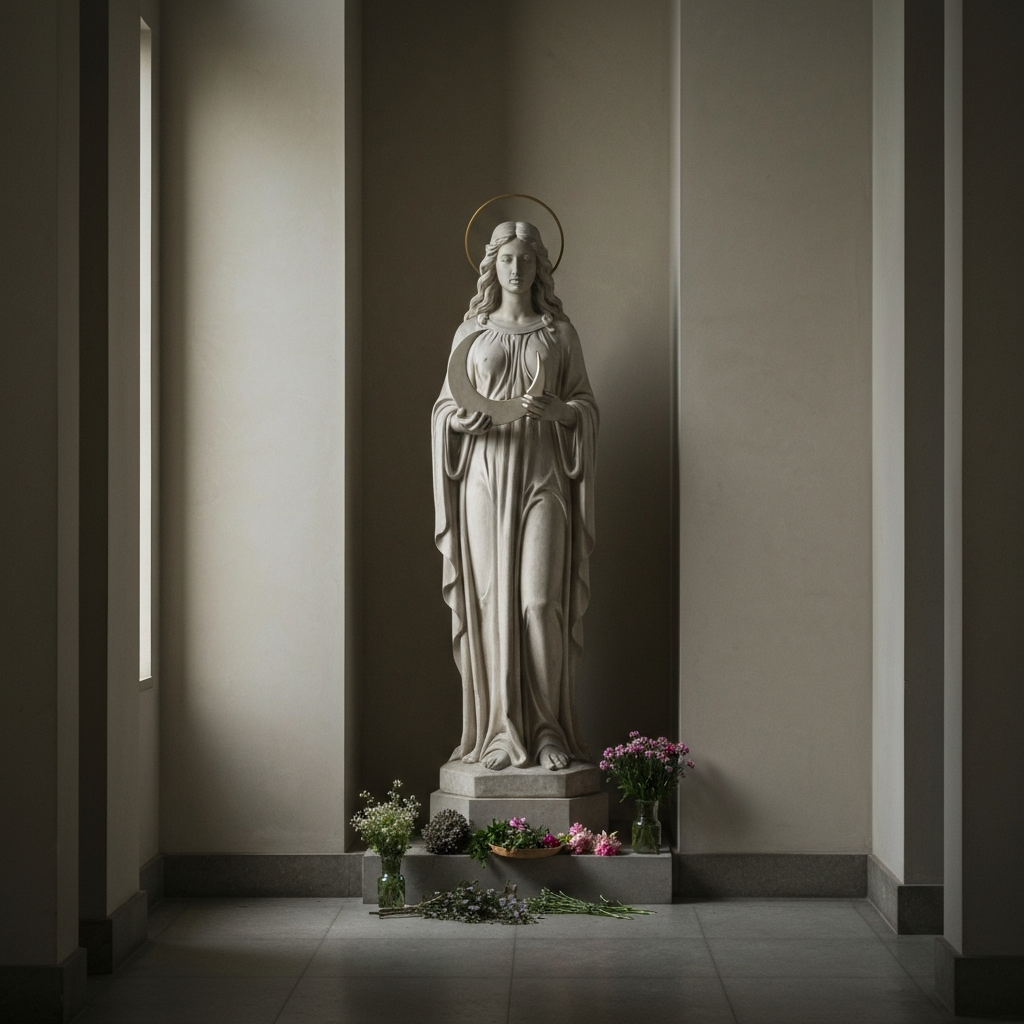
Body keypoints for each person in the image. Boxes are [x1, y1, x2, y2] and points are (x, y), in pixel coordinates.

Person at [431, 221, 598, 771]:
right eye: (506, 259)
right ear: (492, 266)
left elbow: (586, 407)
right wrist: (459, 421)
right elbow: (444, 408)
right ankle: (500, 733)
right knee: (490, 601)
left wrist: (564, 414)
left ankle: (548, 730)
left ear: (539, 268)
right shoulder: (471, 333)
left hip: (544, 474)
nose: (515, 269)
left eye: (525, 260)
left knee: (537, 603)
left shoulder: (559, 334)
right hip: (484, 473)